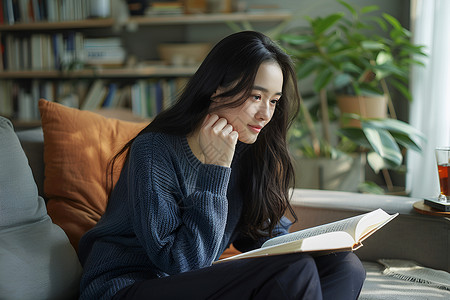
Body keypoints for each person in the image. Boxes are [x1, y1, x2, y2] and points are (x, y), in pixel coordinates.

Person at [78, 31, 366, 299]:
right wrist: (215, 170)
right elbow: (181, 263)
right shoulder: (155, 150)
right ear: (216, 89)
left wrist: (315, 245)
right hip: (129, 287)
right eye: (256, 96)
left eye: (274, 101)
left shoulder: (248, 150)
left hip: (193, 283)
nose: (266, 114)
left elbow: (263, 238)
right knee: (294, 271)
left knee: (345, 266)